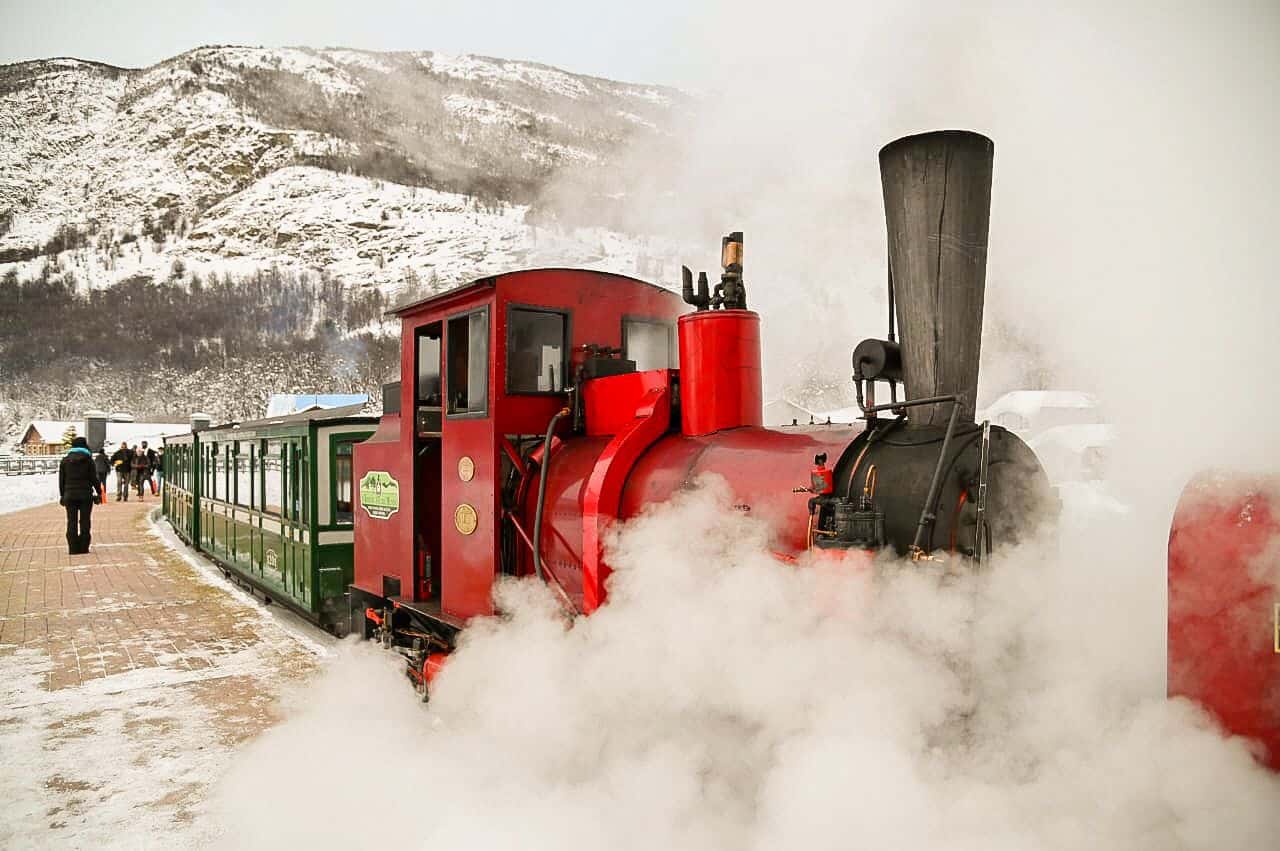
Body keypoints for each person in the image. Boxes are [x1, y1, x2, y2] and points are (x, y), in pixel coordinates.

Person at [59, 436, 103, 554]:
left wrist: (62, 495)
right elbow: (94, 478)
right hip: (85, 495)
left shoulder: (65, 460)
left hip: (70, 495)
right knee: (85, 521)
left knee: (71, 521)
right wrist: (99, 492)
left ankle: (73, 548)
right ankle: (84, 547)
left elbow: (61, 480)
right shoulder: (88, 460)